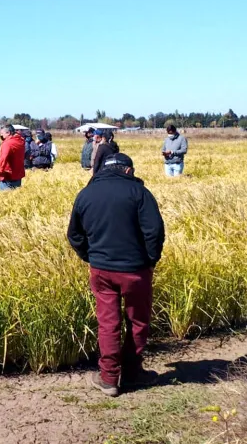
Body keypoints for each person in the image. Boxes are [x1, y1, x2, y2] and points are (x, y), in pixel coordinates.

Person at [67, 153, 165, 396]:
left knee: (108, 323)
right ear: (128, 170)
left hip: (101, 270)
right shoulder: (139, 193)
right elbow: (154, 231)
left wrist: (91, 257)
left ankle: (109, 378)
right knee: (138, 321)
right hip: (135, 270)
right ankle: (132, 373)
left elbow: (74, 235)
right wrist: (150, 260)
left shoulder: (86, 194)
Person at [0, 125, 26, 191]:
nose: (1, 135)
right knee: (16, 195)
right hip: (18, 173)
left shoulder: (7, 143)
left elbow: (3, 158)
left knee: (5, 196)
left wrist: (1, 172)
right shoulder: (21, 141)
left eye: (2, 133)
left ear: (8, 133)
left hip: (8, 175)